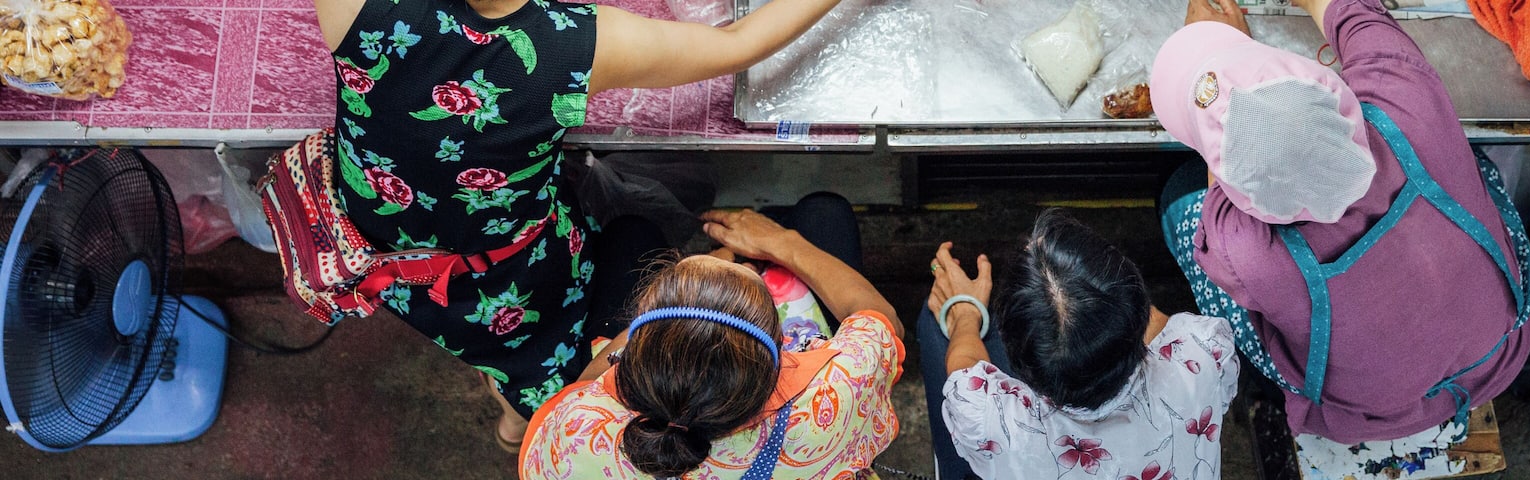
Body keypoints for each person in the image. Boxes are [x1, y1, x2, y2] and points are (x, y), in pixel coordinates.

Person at [312, 0, 850, 451]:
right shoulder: (569, 44)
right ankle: (521, 420)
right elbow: (739, 42)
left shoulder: (360, 9)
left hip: (385, 256)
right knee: (532, 364)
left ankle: (514, 419)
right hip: (515, 275)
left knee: (492, 351)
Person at [1154, 0, 1530, 444]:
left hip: (1371, 413)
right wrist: (1242, 64)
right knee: (1470, 166)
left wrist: (1223, 79)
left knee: (1179, 197)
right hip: (1500, 352)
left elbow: (1222, 178)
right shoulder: (1407, 95)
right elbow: (1354, 14)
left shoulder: (1243, 247)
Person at [519, 199, 905, 479]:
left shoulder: (578, 437)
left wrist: (685, 299)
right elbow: (882, 322)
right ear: (782, 348)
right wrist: (779, 242)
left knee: (630, 232)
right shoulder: (834, 400)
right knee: (824, 211)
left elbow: (582, 389)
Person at [920, 209, 1241, 480]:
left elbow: (964, 373)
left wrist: (966, 310)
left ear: (1019, 362)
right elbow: (1159, 324)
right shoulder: (1204, 351)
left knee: (933, 326)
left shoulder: (997, 426)